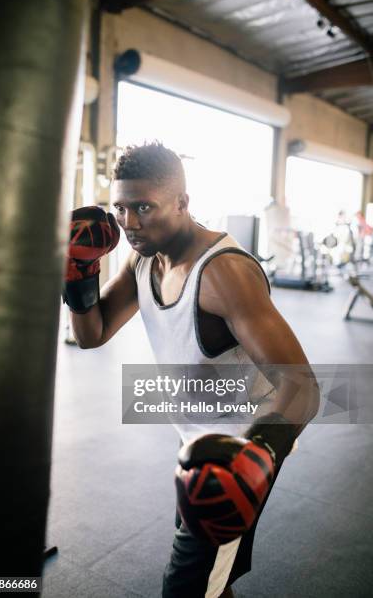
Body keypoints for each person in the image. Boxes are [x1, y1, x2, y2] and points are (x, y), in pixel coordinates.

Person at [63, 142, 320, 598]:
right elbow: (92, 334)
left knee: (185, 585)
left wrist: (254, 458)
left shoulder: (224, 274)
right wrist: (80, 274)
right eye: (121, 208)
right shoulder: (143, 257)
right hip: (196, 441)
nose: (130, 223)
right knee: (208, 582)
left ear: (182, 202)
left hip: (245, 440)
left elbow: (302, 386)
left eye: (144, 207)